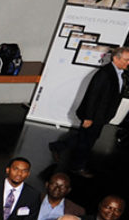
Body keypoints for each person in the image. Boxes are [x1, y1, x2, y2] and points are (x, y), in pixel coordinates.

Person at [53, 44, 129, 176]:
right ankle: (78, 167)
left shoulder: (119, 73)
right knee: (86, 142)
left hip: (102, 115)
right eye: (126, 59)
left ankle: (58, 147)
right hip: (94, 115)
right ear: (116, 59)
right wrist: (88, 117)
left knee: (84, 138)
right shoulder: (104, 74)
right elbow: (92, 96)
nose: (128, 62)